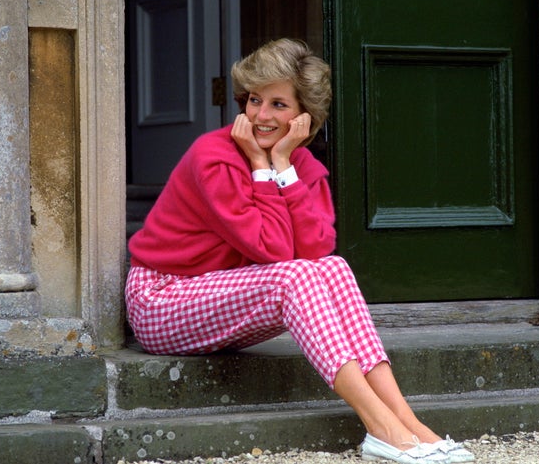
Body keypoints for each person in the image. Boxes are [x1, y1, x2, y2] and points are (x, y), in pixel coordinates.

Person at [125, 38, 474, 464]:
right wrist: (259, 166)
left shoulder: (303, 168)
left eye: (279, 104)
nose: (262, 116)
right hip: (163, 300)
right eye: (255, 100)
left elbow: (315, 250)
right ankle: (380, 428)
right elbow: (272, 250)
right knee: (299, 276)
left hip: (225, 296)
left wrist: (283, 166)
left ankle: (409, 424)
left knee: (334, 267)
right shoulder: (213, 157)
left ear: (305, 116)